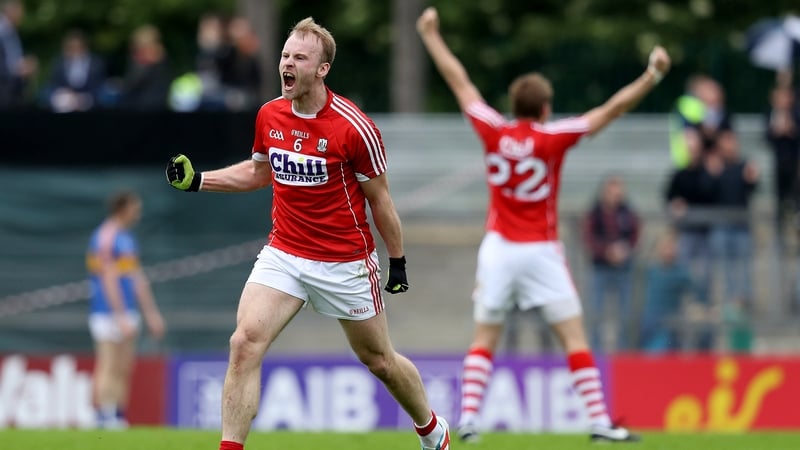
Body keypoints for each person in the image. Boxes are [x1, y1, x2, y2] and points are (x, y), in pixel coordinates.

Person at [165, 17, 450, 450]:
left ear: (322, 69)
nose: (288, 64)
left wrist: (398, 261)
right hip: (285, 253)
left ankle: (432, 431)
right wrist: (199, 180)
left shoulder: (354, 127)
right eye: (285, 55)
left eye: (300, 57)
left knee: (379, 361)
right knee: (244, 343)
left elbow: (381, 201)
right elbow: (260, 171)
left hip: (345, 261)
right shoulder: (270, 114)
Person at [417, 6, 670, 443]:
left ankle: (470, 420)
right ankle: (598, 422)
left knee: (485, 337)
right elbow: (610, 110)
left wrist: (431, 36)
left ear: (514, 106)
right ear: (546, 108)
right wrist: (652, 75)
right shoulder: (552, 137)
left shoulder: (493, 130)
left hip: (497, 248)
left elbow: (460, 82)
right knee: (573, 336)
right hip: (540, 249)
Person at [86, 191, 165, 428]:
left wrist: (152, 314)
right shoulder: (106, 237)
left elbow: (137, 279)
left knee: (124, 366)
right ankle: (102, 416)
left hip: (128, 310)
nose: (138, 212)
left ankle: (117, 415)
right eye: (135, 207)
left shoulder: (127, 238)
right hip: (106, 312)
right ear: (123, 208)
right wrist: (119, 316)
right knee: (108, 363)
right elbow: (109, 279)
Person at [581, 174, 641, 351]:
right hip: (600, 267)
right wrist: (606, 251)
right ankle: (596, 348)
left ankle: (625, 349)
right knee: (596, 310)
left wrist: (625, 251)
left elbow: (635, 236)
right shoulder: (595, 213)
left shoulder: (628, 213)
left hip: (623, 268)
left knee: (625, 311)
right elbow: (589, 238)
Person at [45, 29, 107, 112]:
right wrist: (66, 94)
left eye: (77, 47)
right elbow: (54, 83)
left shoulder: (96, 63)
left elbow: (99, 85)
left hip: (88, 96)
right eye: (71, 47)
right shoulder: (59, 63)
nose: (74, 51)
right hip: (65, 96)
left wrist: (82, 97)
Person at [120, 25, 171, 110]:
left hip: (143, 104)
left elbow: (135, 81)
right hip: (160, 102)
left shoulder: (144, 57)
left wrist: (122, 85)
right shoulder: (161, 54)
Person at [0, 0, 36, 109]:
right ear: (11, 11)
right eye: (20, 11)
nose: (22, 15)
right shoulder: (3, 31)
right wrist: (17, 69)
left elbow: (12, 57)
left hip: (14, 87)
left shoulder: (13, 31)